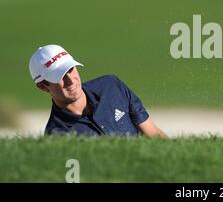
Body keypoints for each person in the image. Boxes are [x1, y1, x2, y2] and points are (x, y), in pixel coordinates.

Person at [29, 44, 167, 137]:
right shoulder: (57, 134)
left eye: (70, 69)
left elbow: (152, 132)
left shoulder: (112, 86)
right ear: (43, 86)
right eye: (59, 76)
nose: (71, 80)